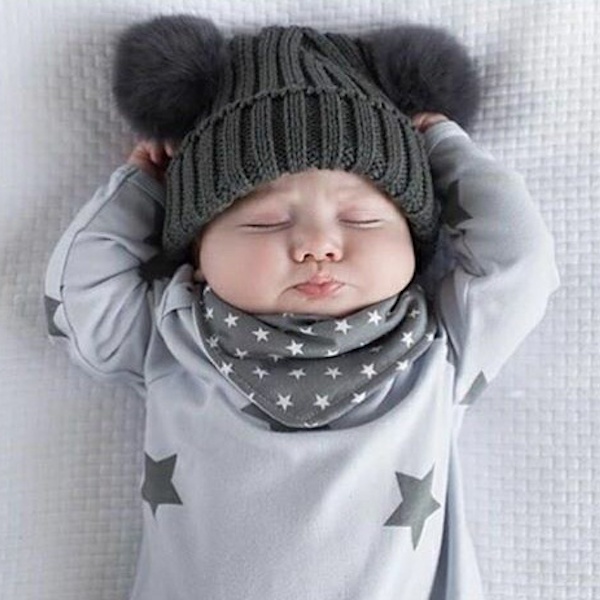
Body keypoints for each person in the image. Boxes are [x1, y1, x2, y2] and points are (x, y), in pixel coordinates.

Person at [44, 16, 559, 600]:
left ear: (416, 242)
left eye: (361, 218)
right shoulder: (176, 338)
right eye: (265, 222)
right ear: (199, 254)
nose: (318, 245)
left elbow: (521, 259)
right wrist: (143, 187)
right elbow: (78, 300)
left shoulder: (437, 350)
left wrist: (443, 147)